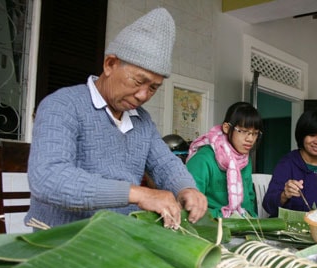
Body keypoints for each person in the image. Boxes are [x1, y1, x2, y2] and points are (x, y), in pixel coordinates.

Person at [25, 8, 207, 229]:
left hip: (123, 236)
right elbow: (48, 179)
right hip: (64, 241)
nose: (143, 96)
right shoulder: (62, 105)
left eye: (153, 88)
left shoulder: (142, 121)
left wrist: (186, 188)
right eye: (138, 81)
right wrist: (138, 194)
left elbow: (165, 165)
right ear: (110, 64)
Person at [186, 102, 263, 218]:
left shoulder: (244, 159)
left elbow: (249, 199)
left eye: (255, 133)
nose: (250, 139)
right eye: (243, 131)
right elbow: (190, 206)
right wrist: (227, 216)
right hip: (211, 227)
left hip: (242, 226)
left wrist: (248, 217)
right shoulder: (202, 160)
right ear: (227, 128)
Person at [263, 109, 317, 216]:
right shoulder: (287, 164)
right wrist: (284, 195)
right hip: (289, 228)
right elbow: (268, 205)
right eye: (312, 135)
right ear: (302, 135)